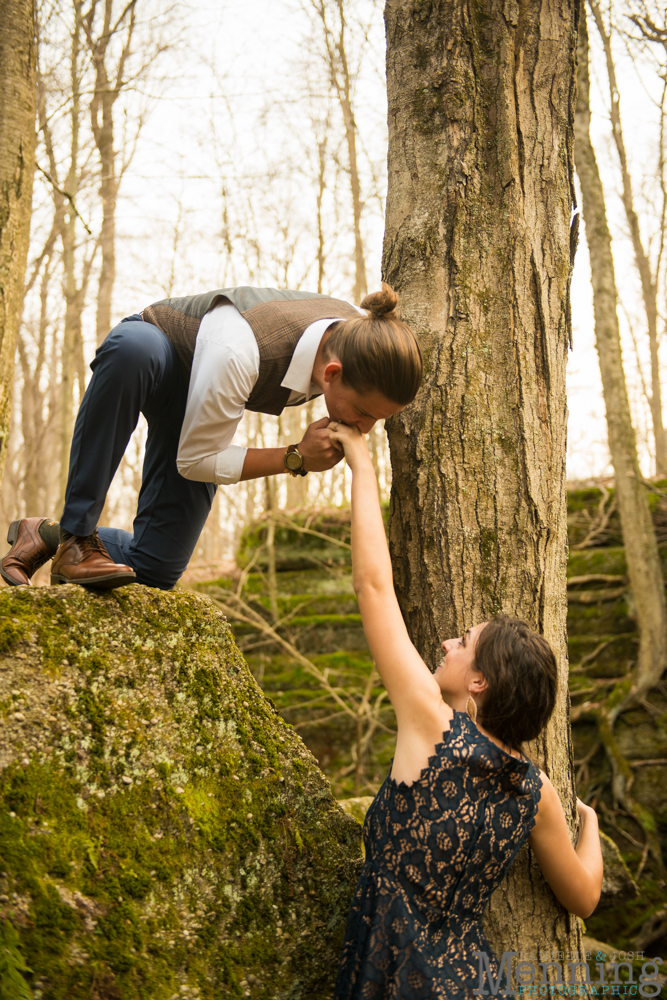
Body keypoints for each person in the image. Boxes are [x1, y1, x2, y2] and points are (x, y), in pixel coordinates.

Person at [327, 421, 603, 1000]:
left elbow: (373, 587)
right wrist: (592, 826)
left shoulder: (432, 723)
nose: (448, 643)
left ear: (478, 681)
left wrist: (362, 461)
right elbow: (585, 898)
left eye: (464, 641)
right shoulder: (536, 792)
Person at [1, 284, 421, 591]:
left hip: (205, 401)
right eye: (364, 415)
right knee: (133, 352)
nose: (364, 429)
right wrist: (294, 456)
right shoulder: (241, 350)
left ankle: (44, 534)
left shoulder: (356, 338)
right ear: (332, 375)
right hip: (164, 352)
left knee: (155, 568)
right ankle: (77, 532)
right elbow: (195, 461)